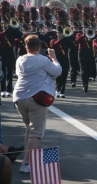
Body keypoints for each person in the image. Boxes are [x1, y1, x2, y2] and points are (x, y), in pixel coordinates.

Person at [13, 35, 62, 173]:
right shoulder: (42, 60)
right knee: (36, 132)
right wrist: (54, 58)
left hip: (19, 97)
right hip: (36, 98)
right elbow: (57, 71)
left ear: (26, 46)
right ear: (39, 47)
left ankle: (27, 159)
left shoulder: (20, 59)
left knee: (29, 129)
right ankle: (27, 163)